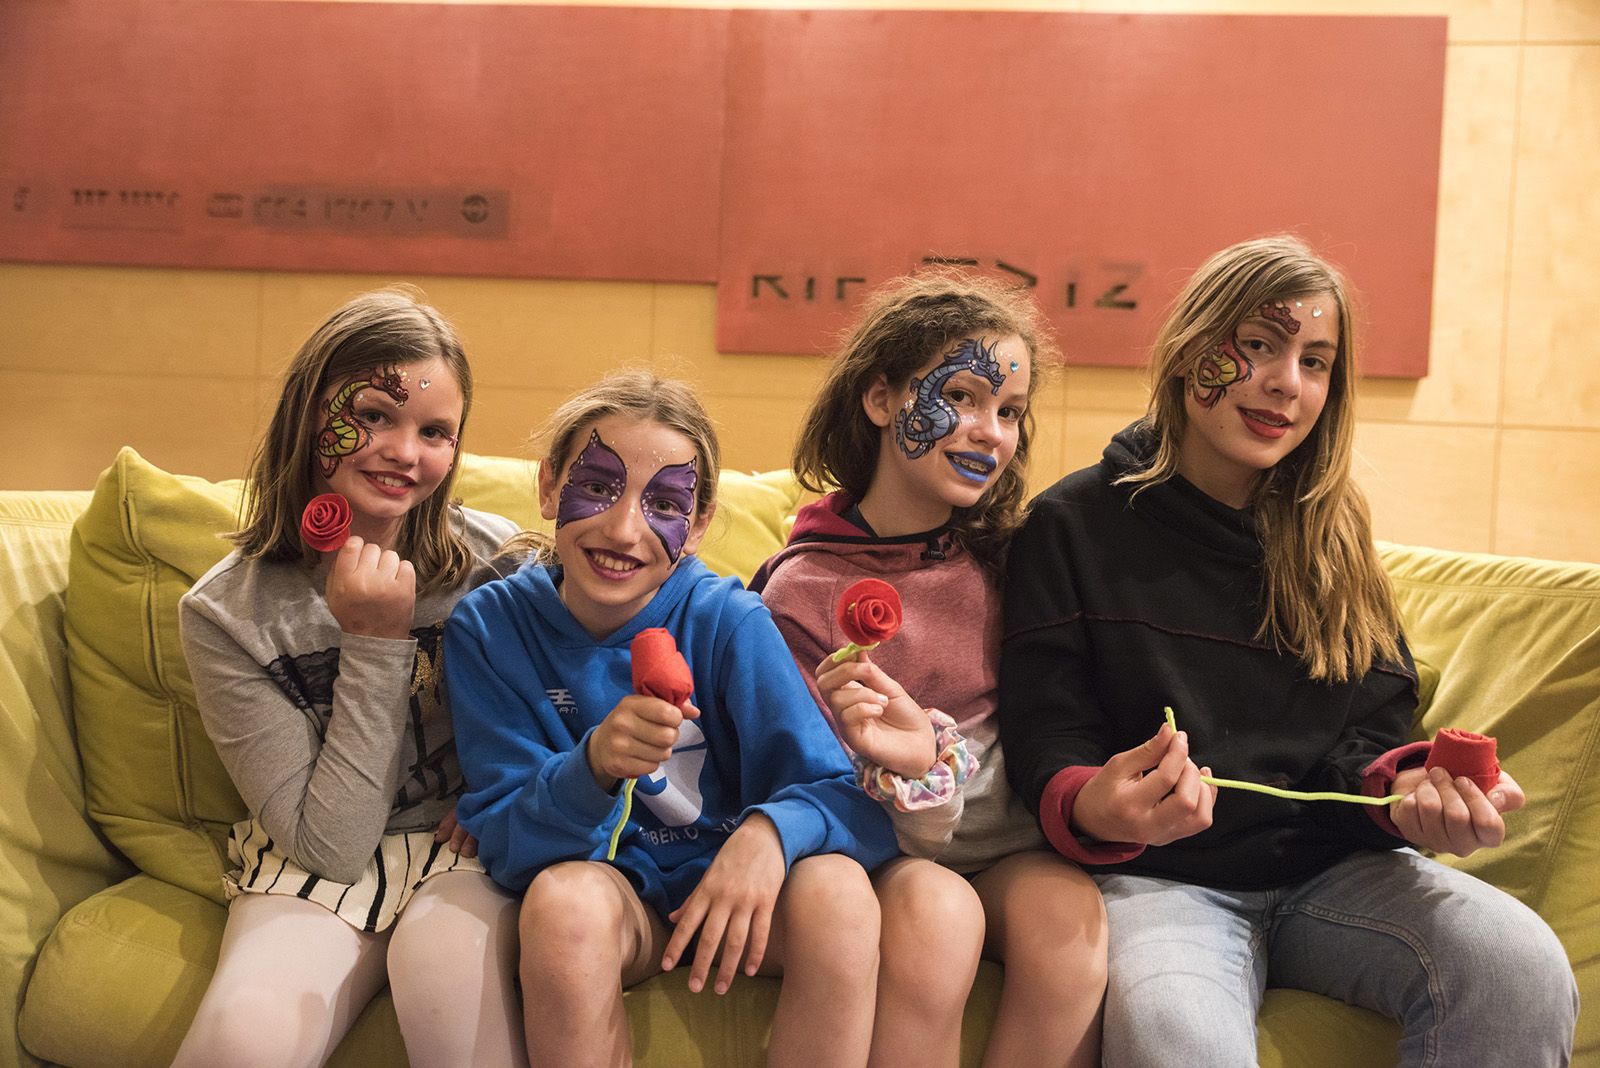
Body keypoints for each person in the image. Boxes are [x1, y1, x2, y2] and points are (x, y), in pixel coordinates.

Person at [999, 235, 1579, 1066]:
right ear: (1191, 350)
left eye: (1315, 361)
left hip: (1331, 878)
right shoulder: (1072, 526)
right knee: (1179, 1036)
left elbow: (1373, 739)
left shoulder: (1335, 536)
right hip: (1162, 884)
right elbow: (1046, 731)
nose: (1286, 384)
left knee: (1518, 966)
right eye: (1261, 346)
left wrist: (1409, 791)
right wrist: (1097, 804)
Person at [443, 370, 899, 1068]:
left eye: (663, 502)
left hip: (738, 902)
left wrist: (768, 835)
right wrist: (589, 767)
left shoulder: (726, 620)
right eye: (596, 486)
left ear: (700, 523)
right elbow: (503, 839)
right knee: (564, 908)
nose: (623, 528)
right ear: (546, 487)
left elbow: (845, 797)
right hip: (611, 901)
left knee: (839, 895)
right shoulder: (489, 627)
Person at [754, 273, 1106, 1068]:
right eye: (962, 396)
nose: (989, 431)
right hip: (883, 852)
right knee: (938, 913)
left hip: (1008, 848)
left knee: (1071, 923)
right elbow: (806, 782)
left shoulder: (1014, 560)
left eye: (1009, 412)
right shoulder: (802, 587)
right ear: (881, 398)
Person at [173, 288, 526, 1067]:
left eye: (434, 431)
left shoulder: (499, 566)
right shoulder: (228, 613)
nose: (405, 451)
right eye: (372, 415)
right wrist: (373, 643)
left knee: (448, 978)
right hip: (316, 853)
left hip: (466, 852)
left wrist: (508, 792)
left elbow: (576, 696)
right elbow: (331, 848)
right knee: (242, 1036)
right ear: (309, 416)